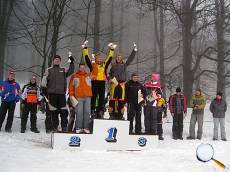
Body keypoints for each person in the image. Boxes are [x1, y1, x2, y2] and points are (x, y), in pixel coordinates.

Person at [82, 41, 116, 119]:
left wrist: (112, 50)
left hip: (102, 82)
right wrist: (85, 48)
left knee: (101, 97)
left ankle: (100, 111)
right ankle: (92, 110)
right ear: (96, 60)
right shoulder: (92, 65)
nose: (99, 60)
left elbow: (109, 58)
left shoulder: (104, 64)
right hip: (94, 82)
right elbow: (86, 57)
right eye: (98, 59)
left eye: (100, 59)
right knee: (93, 97)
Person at [41, 54, 75, 132]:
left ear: (60, 61)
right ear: (53, 61)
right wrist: (44, 90)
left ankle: (64, 127)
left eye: (58, 60)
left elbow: (71, 71)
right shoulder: (49, 70)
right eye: (55, 59)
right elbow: (44, 81)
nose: (57, 60)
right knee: (53, 112)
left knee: (64, 112)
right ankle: (54, 127)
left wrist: (71, 62)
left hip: (61, 95)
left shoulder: (63, 69)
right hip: (52, 95)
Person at [108, 43, 137, 120]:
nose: (118, 58)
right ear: (116, 58)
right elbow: (109, 74)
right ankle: (112, 114)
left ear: (122, 59)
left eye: (120, 57)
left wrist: (134, 50)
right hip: (114, 83)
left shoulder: (124, 64)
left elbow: (130, 59)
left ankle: (120, 114)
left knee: (121, 100)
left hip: (122, 84)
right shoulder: (113, 65)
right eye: (117, 57)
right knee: (112, 99)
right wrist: (109, 79)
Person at [69, 63, 92, 134]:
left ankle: (86, 127)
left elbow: (96, 71)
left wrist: (94, 59)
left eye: (83, 67)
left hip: (87, 97)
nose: (82, 69)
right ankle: (78, 127)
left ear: (85, 68)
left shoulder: (89, 75)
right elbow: (71, 87)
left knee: (87, 112)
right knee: (79, 112)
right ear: (79, 68)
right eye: (81, 67)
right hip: (78, 97)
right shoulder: (74, 76)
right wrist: (71, 95)